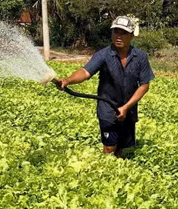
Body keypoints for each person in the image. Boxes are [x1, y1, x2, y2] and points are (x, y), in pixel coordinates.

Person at [55, 16, 154, 156]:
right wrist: (68, 80)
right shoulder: (103, 55)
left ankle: (119, 173)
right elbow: (85, 72)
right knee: (110, 146)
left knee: (123, 147)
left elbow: (144, 85)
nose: (118, 36)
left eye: (123, 33)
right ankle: (106, 170)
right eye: (116, 32)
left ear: (131, 36)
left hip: (129, 108)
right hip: (108, 107)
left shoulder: (141, 57)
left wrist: (126, 107)